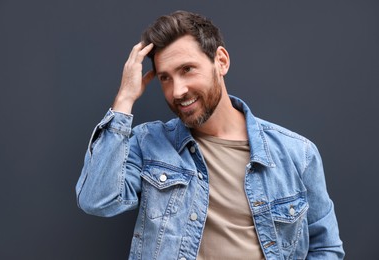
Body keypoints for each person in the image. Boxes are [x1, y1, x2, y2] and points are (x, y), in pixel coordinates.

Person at [76, 10, 344, 260]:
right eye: (165, 78)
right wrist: (125, 98)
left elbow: (326, 247)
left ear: (221, 61)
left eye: (187, 69)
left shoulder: (298, 154)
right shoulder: (148, 143)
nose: (177, 90)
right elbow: (97, 200)